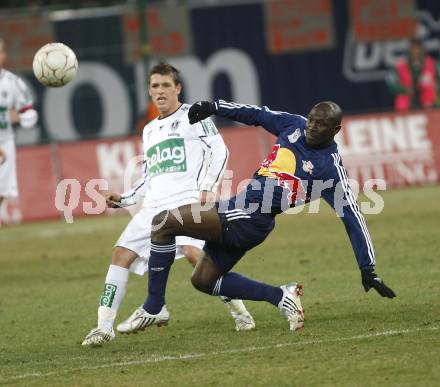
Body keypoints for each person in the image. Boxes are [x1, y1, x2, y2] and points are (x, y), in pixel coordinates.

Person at [119, 98, 396, 333]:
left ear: (336, 129)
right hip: (243, 213)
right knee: (203, 280)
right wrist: (216, 106)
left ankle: (154, 306)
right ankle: (281, 296)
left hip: (249, 216)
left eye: (321, 124)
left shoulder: (330, 170)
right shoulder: (293, 125)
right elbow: (257, 114)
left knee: (164, 223)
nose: (312, 126)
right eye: (312, 119)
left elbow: (353, 217)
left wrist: (367, 267)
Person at [81, 63, 254, 346]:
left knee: (195, 256)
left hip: (187, 200)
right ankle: (103, 327)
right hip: (154, 206)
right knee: (120, 254)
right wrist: (124, 199)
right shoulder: (149, 130)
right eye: (154, 86)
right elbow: (150, 175)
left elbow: (220, 150)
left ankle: (240, 312)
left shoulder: (194, 116)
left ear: (177, 88)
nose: (159, 91)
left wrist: (207, 188)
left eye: (164, 85)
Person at [0, 38, 38, 215]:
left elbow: (30, 113)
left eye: (1, 51)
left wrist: (20, 117)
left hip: (5, 142)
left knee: (2, 193)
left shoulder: (12, 82)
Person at [387, 38, 439, 111]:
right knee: (401, 98)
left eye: (418, 50)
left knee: (430, 91)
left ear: (423, 50)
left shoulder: (433, 64)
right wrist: (404, 89)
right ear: (409, 51)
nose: (416, 52)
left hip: (428, 101)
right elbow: (391, 85)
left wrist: (435, 90)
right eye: (413, 50)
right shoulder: (400, 65)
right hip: (407, 97)